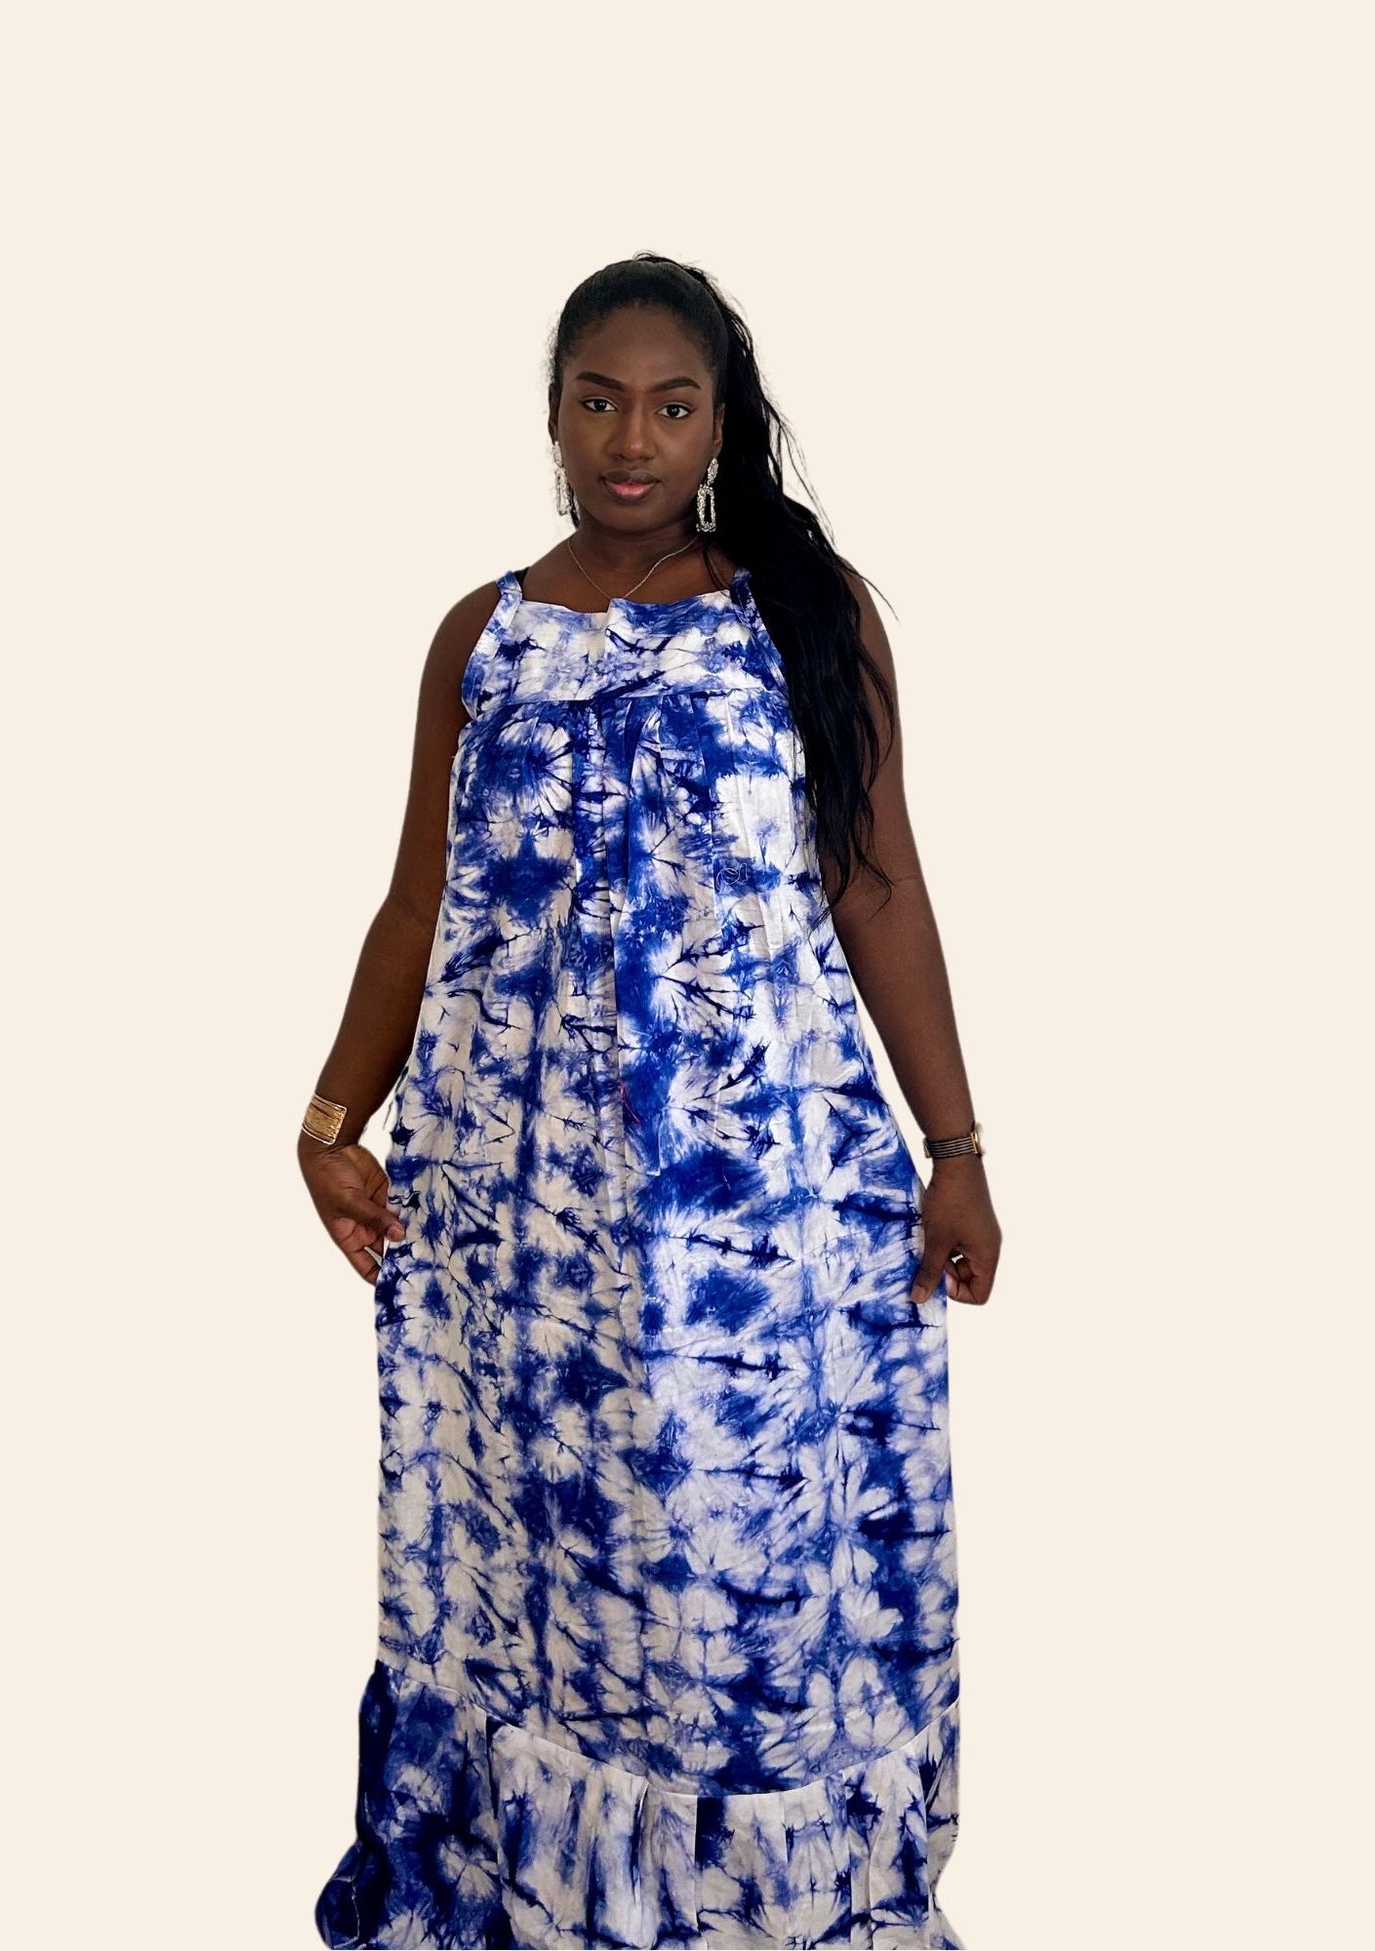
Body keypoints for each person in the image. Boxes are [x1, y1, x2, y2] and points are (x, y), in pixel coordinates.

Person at [303, 253, 1001, 1951]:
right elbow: (417, 905)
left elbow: (877, 884)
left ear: (718, 426)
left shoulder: (803, 614)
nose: (631, 439)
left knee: (739, 1582)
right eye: (598, 400)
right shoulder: (481, 639)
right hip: (515, 1216)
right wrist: (330, 1124)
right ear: (551, 413)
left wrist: (956, 1149)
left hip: (753, 1211)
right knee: (539, 1577)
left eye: (670, 405)